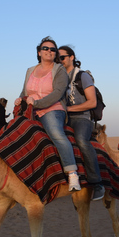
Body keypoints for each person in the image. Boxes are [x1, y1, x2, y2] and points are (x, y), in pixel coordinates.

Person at [15, 36, 80, 191]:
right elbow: (25, 90)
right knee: (14, 133)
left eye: (52, 49)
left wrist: (37, 103)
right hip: (32, 110)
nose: (49, 51)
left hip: (52, 108)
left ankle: (72, 174)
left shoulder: (59, 70)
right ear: (39, 52)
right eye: (46, 48)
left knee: (55, 133)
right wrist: (19, 99)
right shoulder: (30, 70)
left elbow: (57, 93)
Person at [58, 45, 104, 200]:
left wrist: (69, 109)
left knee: (81, 141)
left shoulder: (82, 76)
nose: (60, 60)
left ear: (72, 57)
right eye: (58, 58)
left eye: (62, 57)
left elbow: (92, 102)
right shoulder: (60, 78)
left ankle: (97, 182)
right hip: (64, 118)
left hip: (82, 118)